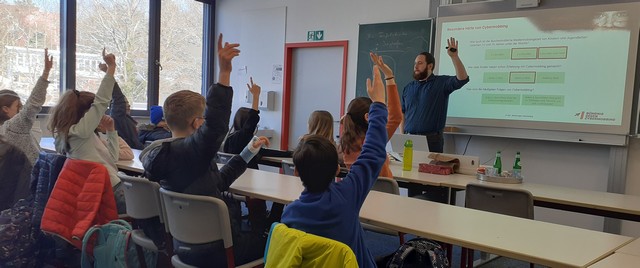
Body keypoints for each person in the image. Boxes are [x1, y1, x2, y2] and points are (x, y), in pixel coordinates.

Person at [139, 34, 271, 267]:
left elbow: (218, 182)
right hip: (220, 251)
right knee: (277, 235)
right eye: (203, 118)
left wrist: (248, 152)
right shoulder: (190, 153)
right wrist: (225, 73)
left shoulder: (168, 155)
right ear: (197, 123)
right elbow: (217, 125)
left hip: (184, 248)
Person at [281, 64, 389, 268]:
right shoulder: (347, 196)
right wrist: (379, 104)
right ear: (337, 169)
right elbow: (373, 153)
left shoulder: (290, 214)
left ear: (296, 172)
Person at [48, 48, 126, 214]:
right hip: (111, 189)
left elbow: (112, 159)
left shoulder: (77, 136)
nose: (101, 114)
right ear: (86, 115)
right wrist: (111, 68)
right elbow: (101, 101)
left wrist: (111, 131)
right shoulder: (80, 132)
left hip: (104, 187)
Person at [401, 37, 469, 153]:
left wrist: (454, 57)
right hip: (410, 140)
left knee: (430, 171)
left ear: (430, 66)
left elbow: (462, 79)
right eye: (415, 63)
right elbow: (402, 113)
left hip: (431, 141)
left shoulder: (441, 83)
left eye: (420, 63)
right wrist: (403, 136)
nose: (416, 66)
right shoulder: (408, 88)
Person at [340, 52, 401, 178]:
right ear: (368, 117)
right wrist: (389, 76)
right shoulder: (374, 139)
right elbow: (395, 117)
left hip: (359, 197)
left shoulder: (345, 143)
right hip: (384, 196)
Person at [0, 48, 52, 167]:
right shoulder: (13, 127)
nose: (21, 109)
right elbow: (33, 104)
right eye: (18, 106)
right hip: (29, 177)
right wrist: (45, 73)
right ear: (5, 109)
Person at [99, 63, 144, 150]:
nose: (128, 105)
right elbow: (118, 96)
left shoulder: (127, 119)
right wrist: (108, 72)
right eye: (126, 103)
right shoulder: (118, 116)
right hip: (130, 152)